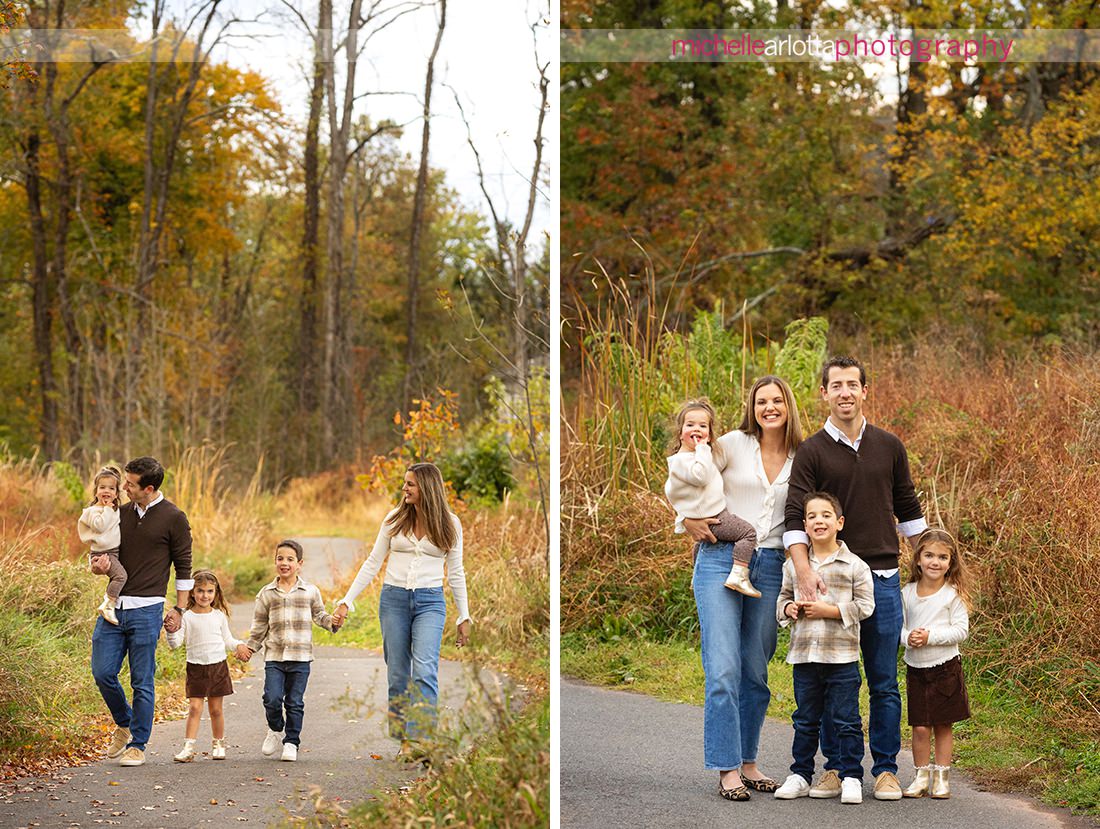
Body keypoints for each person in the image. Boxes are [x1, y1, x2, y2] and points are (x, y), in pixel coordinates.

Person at [783, 356, 927, 800]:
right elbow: (794, 515)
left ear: (865, 390)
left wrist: (929, 574)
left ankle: (884, 769)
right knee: (831, 679)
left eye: (852, 385)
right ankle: (834, 769)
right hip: (831, 580)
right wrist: (804, 570)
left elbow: (907, 507)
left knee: (883, 680)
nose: (845, 392)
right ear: (823, 393)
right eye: (836, 386)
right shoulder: (811, 450)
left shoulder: (889, 445)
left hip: (881, 576)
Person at [680, 376, 802, 800]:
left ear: (788, 405)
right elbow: (685, 475)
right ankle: (726, 768)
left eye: (776, 400)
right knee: (723, 669)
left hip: (769, 567)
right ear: (752, 407)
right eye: (761, 401)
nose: (769, 407)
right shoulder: (731, 444)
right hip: (719, 558)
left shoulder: (802, 456)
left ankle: (748, 761)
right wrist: (685, 521)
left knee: (755, 670)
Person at [332, 463, 471, 746]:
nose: (404, 489)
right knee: (397, 674)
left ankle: (419, 741)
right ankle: (402, 736)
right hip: (393, 601)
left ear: (427, 489)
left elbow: (456, 572)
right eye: (405, 483)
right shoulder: (394, 519)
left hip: (430, 602)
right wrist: (347, 600)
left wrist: (464, 615)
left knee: (425, 670)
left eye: (410, 484)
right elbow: (373, 562)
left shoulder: (450, 523)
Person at [90, 456, 193, 767]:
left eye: (130, 484)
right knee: (103, 672)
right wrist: (99, 567)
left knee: (142, 680)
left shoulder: (174, 517)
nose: (124, 488)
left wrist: (180, 608)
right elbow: (102, 551)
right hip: (113, 607)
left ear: (148, 488)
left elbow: (184, 566)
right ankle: (124, 721)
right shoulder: (118, 513)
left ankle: (138, 743)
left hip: (147, 610)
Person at [773, 492, 875, 805]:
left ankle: (851, 776)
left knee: (846, 720)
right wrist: (789, 609)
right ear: (804, 525)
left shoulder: (854, 565)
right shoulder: (793, 566)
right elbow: (781, 601)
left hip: (841, 657)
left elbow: (866, 606)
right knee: (805, 719)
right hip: (804, 657)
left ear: (839, 523)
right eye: (813, 516)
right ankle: (800, 774)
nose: (819, 520)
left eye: (826, 515)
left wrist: (829, 611)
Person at [238, 539, 337, 762]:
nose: (285, 563)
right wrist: (250, 648)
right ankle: (275, 729)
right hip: (275, 656)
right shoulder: (266, 594)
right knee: (271, 698)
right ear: (275, 561)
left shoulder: (310, 591)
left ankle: (291, 742)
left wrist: (333, 622)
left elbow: (320, 615)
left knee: (295, 701)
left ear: (299, 563)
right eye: (280, 558)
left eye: (290, 559)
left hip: (301, 658)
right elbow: (260, 625)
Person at [900, 528, 971, 799]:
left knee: (943, 723)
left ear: (951, 563)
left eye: (942, 557)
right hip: (916, 668)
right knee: (919, 726)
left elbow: (960, 631)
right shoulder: (906, 593)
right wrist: (910, 638)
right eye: (929, 555)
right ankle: (921, 776)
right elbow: (899, 629)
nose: (935, 561)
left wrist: (930, 636)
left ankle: (942, 778)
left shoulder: (952, 595)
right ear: (918, 559)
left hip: (945, 667)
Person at [665, 399, 761, 596]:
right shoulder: (684, 460)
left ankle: (697, 575)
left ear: (709, 433)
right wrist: (702, 449)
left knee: (702, 543)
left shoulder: (692, 457)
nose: (696, 429)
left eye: (703, 425)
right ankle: (739, 574)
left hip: (713, 512)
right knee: (747, 534)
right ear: (680, 433)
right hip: (715, 515)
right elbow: (700, 477)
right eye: (690, 425)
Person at [166, 570, 241, 762]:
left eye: (209, 591)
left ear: (215, 593)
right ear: (191, 592)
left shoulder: (219, 616)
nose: (204, 595)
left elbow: (227, 640)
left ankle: (218, 744)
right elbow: (176, 644)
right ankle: (188, 747)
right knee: (194, 708)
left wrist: (239, 646)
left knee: (216, 709)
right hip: (196, 667)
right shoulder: (187, 617)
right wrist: (171, 631)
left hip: (217, 667)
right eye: (200, 591)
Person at [78, 466, 125, 625]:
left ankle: (111, 604)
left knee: (118, 575)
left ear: (117, 493)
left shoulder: (113, 508)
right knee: (120, 576)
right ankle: (108, 604)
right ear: (96, 491)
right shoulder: (93, 511)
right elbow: (99, 526)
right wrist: (106, 508)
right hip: (104, 553)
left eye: (111, 488)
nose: (107, 491)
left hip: (113, 551)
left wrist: (109, 508)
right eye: (102, 487)